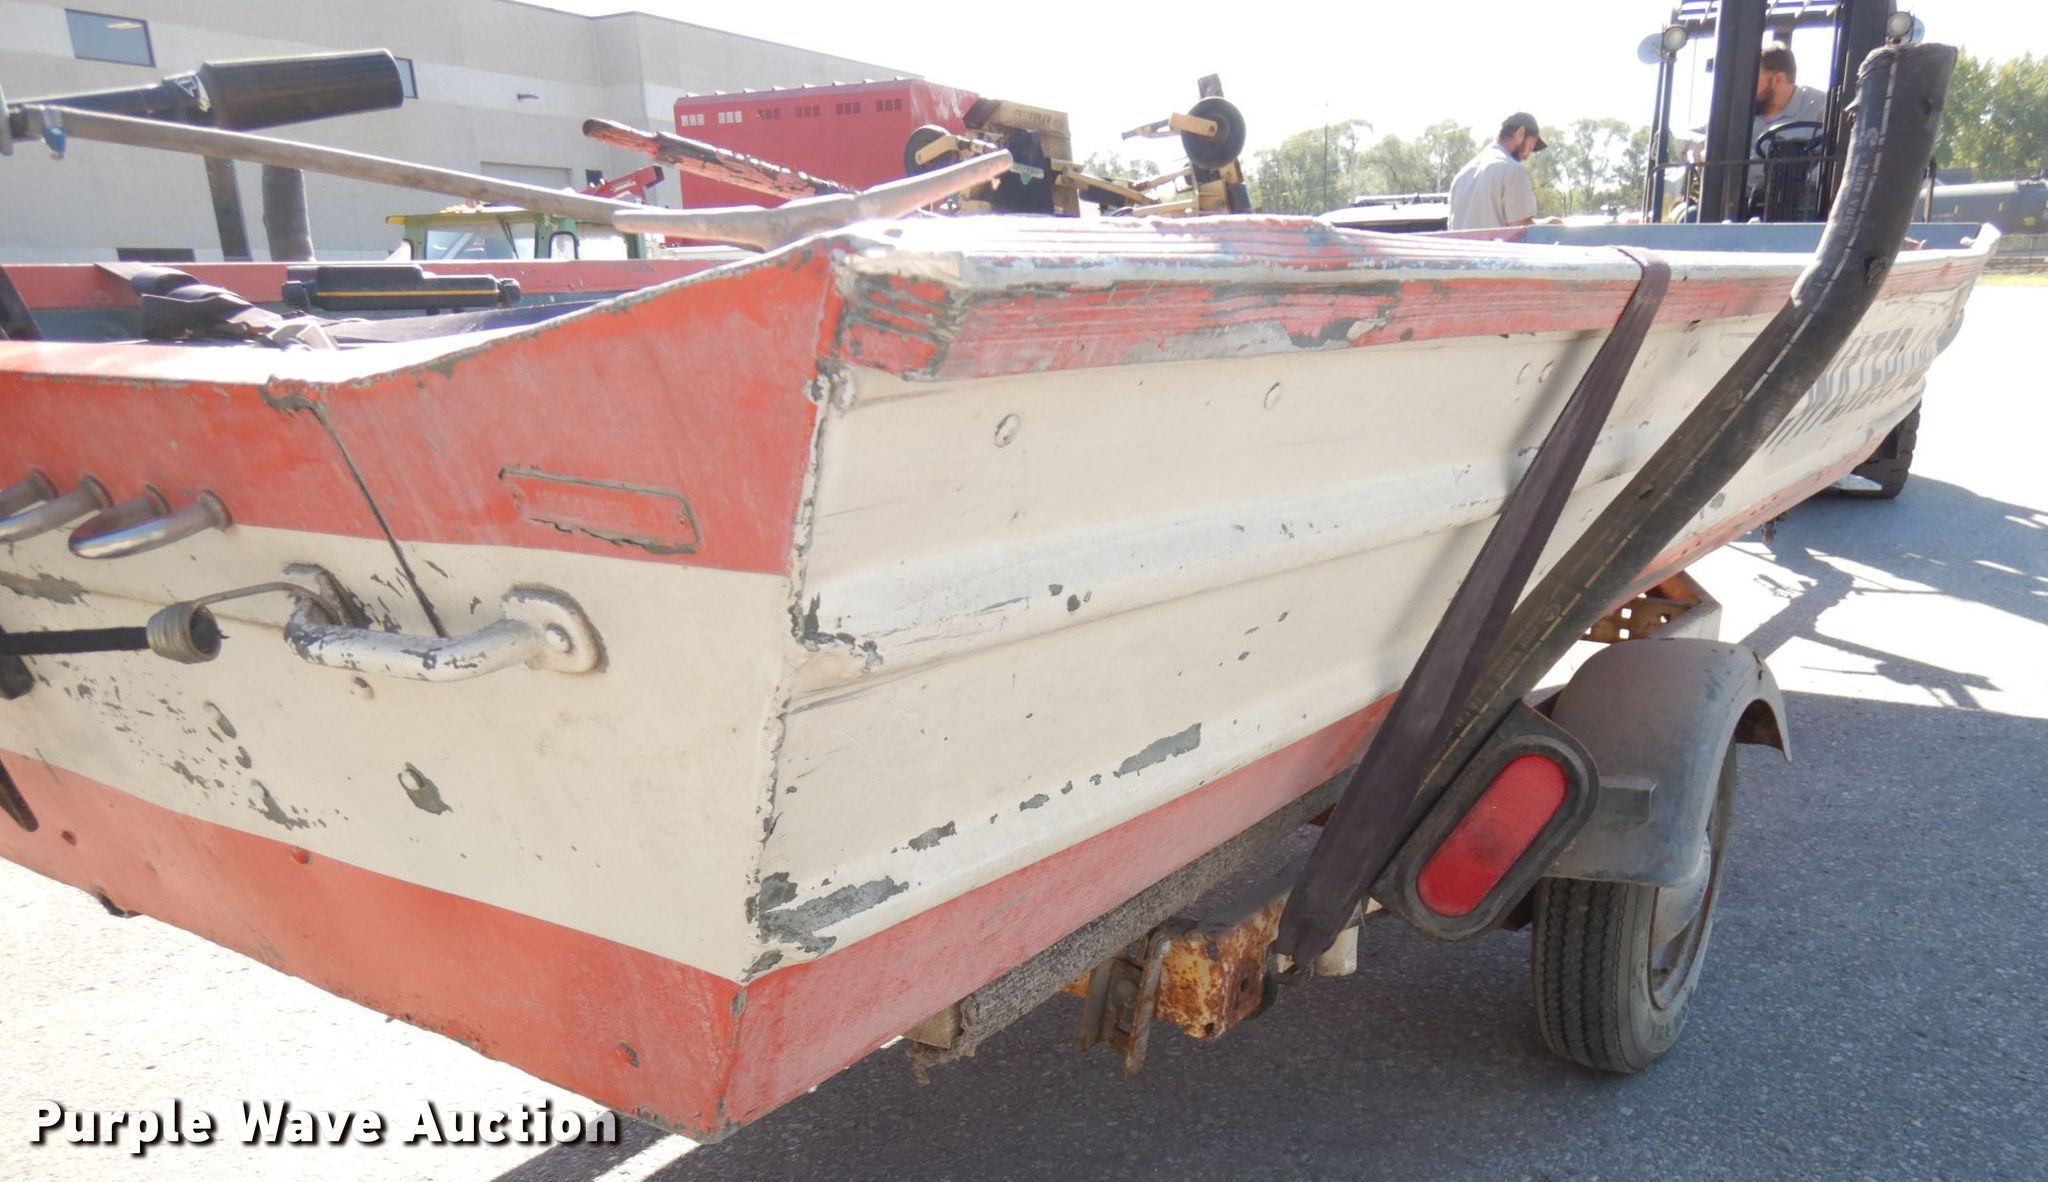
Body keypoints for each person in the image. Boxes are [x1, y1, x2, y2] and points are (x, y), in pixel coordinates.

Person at [1447, 113, 1547, 231]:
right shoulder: (1513, 171)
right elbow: (1523, 229)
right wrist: (1552, 224)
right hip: (1494, 244)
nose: (1527, 157)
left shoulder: (1461, 176)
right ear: (1520, 133)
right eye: (1530, 148)